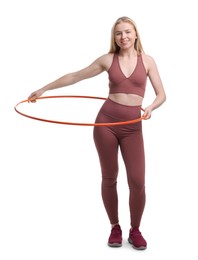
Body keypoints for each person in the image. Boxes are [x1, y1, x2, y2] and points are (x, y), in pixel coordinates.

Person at [28, 16, 166, 250]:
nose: (123, 36)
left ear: (136, 34)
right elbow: (75, 76)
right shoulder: (107, 59)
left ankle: (135, 230)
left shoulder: (148, 61)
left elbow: (162, 94)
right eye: (118, 33)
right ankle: (115, 227)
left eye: (128, 32)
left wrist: (151, 107)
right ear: (114, 37)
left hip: (133, 126)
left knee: (137, 181)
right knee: (109, 176)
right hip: (106, 124)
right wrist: (43, 89)